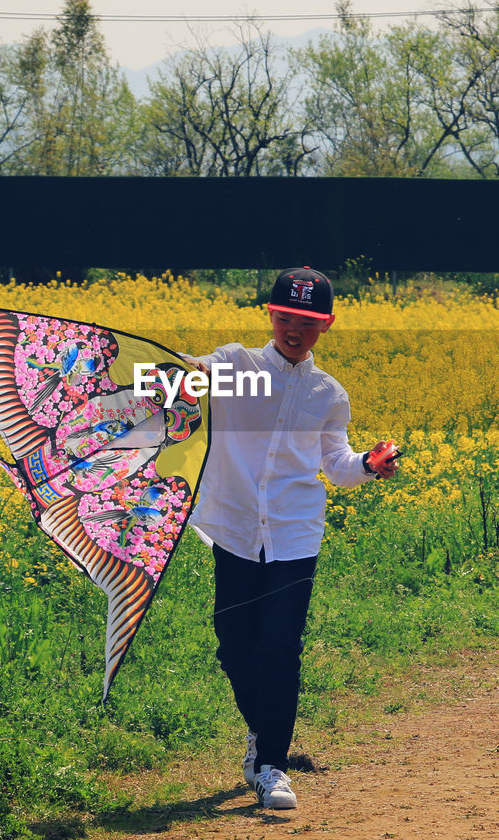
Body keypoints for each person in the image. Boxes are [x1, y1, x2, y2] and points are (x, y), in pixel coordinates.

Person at [183, 266, 399, 810]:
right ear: (270, 315)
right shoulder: (239, 366)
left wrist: (368, 466)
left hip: (295, 534)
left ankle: (271, 763)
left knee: (279, 648)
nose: (293, 329)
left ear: (326, 323)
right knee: (234, 649)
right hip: (233, 529)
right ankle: (264, 737)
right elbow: (176, 385)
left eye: (307, 320)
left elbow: (335, 462)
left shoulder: (328, 393)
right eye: (284, 317)